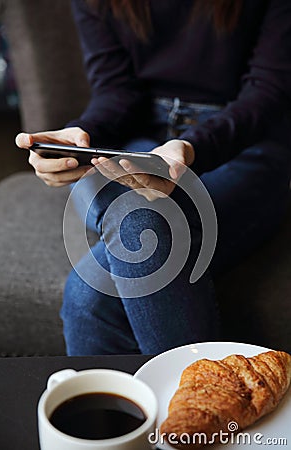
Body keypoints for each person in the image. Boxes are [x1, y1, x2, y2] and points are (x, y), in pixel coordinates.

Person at [16, 0, 291, 356]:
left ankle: (190, 407)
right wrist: (79, 136)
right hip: (141, 138)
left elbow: (268, 93)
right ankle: (201, 403)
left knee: (89, 298)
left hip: (246, 145)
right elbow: (117, 91)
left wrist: (191, 148)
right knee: (135, 216)